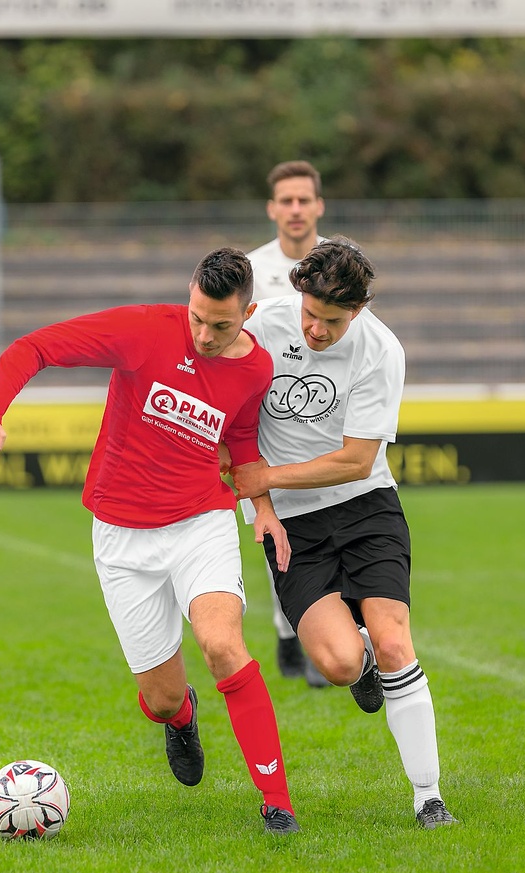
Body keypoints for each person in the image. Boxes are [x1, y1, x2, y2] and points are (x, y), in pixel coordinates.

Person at [0, 247, 299, 835]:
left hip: (200, 522)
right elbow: (32, 348)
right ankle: (183, 717)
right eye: (197, 318)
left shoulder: (257, 368)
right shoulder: (144, 329)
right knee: (161, 699)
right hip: (121, 534)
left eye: (221, 324)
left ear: (249, 313)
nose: (205, 335)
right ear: (187, 297)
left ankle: (277, 803)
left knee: (221, 644)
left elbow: (241, 437)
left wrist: (261, 506)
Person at [232, 238, 458, 829]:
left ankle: (428, 798)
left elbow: (357, 460)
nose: (315, 330)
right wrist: (263, 502)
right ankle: (358, 669)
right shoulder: (266, 324)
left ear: (356, 311)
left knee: (393, 639)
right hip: (292, 523)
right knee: (336, 662)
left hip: (365, 508)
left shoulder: (381, 350)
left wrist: (267, 476)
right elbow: (235, 421)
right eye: (309, 314)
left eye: (331, 321)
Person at [246, 159, 328, 686]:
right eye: (287, 201)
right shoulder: (251, 270)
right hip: (268, 425)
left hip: (325, 419)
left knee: (339, 530)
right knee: (280, 539)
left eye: (305, 200)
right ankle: (287, 630)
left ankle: (326, 644)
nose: (296, 209)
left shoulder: (343, 264)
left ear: (318, 206)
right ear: (273, 208)